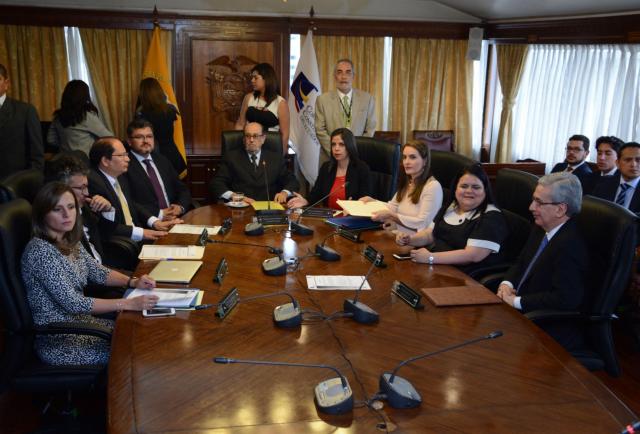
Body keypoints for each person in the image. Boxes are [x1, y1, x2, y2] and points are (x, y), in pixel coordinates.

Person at [21, 182, 160, 365]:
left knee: (145, 333)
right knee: (137, 352)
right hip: (62, 340)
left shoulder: (67, 239)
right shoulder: (41, 252)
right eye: (57, 209)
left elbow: (96, 271)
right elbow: (74, 303)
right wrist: (127, 303)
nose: (67, 214)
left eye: (71, 207)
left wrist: (132, 282)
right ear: (42, 214)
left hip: (85, 324)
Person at [497, 172, 587, 350]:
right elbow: (521, 262)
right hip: (517, 313)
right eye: (533, 200)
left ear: (560, 209)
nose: (531, 207)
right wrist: (507, 284)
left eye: (539, 202)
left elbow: (565, 298)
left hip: (544, 326)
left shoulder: (571, 245)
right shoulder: (541, 227)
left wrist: (516, 301)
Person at [396, 164, 508, 274]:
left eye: (476, 187)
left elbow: (472, 255)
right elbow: (430, 234)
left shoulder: (492, 217)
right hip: (438, 268)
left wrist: (430, 257)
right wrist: (409, 239)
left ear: (485, 191)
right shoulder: (451, 207)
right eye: (464, 186)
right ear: (455, 189)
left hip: (465, 277)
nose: (469, 191)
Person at [88, 137, 180, 241]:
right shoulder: (93, 183)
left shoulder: (119, 176)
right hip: (122, 243)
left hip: (136, 234)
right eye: (122, 155)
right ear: (105, 161)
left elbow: (130, 204)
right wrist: (143, 233)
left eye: (126, 154)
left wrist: (154, 222)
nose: (128, 159)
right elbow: (103, 225)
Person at [362, 140, 443, 234]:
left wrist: (392, 216)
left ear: (425, 161)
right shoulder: (409, 182)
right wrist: (373, 202)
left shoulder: (433, 187)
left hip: (415, 239)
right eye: (404, 157)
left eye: (412, 157)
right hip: (398, 235)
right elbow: (392, 207)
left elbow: (423, 223)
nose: (406, 162)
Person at [209, 122, 299, 204]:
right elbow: (216, 183)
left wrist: (284, 193)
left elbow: (292, 181)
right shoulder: (232, 157)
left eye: (255, 136)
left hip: (269, 208)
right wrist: (235, 196)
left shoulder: (275, 158)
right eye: (248, 136)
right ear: (244, 139)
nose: (251, 140)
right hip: (242, 207)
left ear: (263, 139)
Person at [124, 119, 192, 220]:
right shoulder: (124, 165)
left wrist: (180, 207)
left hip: (175, 218)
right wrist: (159, 214)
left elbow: (182, 189)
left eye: (149, 136)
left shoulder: (162, 160)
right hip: (147, 222)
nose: (146, 141)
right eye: (139, 137)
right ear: (129, 141)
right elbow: (127, 201)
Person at [286, 128, 371, 210]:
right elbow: (315, 195)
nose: (336, 148)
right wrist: (305, 201)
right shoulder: (326, 167)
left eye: (341, 144)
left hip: (351, 217)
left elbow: (365, 199)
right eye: (333, 144)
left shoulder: (361, 169)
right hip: (328, 215)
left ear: (349, 146)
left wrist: (354, 207)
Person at [315, 59, 376, 166]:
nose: (344, 77)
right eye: (339, 72)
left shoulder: (367, 99)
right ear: (335, 76)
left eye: (348, 72)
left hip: (358, 158)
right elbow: (320, 130)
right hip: (330, 160)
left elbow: (370, 129)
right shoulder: (322, 100)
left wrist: (353, 152)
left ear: (353, 76)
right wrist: (337, 151)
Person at [0, 63, 44, 179]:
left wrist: (31, 182)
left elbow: (37, 156)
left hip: (13, 182)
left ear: (6, 83)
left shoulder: (25, 111)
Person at [47, 80, 113, 156]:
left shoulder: (58, 117)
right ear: (85, 96)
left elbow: (51, 140)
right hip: (85, 160)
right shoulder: (86, 116)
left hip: (64, 159)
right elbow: (110, 138)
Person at [135, 77, 186, 175]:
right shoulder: (170, 109)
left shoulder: (141, 114)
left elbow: (140, 138)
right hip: (172, 155)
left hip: (154, 156)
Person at [235, 63, 289, 154]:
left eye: (255, 78)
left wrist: (281, 156)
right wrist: (237, 149)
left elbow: (285, 133)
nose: (252, 80)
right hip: (250, 145)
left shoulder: (281, 103)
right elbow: (240, 124)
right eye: (252, 77)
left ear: (266, 79)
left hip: (271, 148)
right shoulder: (248, 98)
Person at [591, 142, 640, 214]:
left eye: (638, 160)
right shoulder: (603, 183)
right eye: (628, 160)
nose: (633, 164)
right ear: (617, 163)